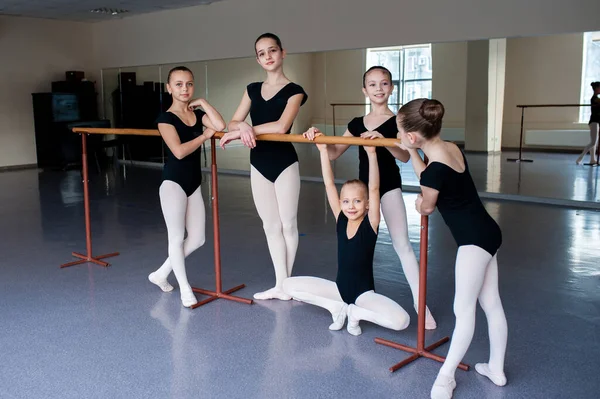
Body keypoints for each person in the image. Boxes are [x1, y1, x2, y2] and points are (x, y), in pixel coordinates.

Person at [303, 66, 436, 329]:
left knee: (403, 247)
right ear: (365, 90)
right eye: (373, 84)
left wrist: (383, 140)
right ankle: (354, 296)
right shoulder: (355, 124)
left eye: (384, 84)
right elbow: (333, 152)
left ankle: (421, 306)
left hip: (388, 189)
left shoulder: (399, 122)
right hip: (364, 194)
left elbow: (405, 156)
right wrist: (317, 136)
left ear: (391, 87)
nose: (379, 89)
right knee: (357, 249)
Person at [396, 98, 508, 399]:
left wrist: (419, 202)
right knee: (491, 303)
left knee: (464, 309)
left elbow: (427, 204)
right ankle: (496, 368)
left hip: (473, 242)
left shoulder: (433, 171)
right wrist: (410, 150)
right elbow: (430, 174)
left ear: (411, 135)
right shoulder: (452, 148)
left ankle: (445, 377)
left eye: (401, 132)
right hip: (487, 231)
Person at [282, 138, 410, 336]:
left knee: (402, 321)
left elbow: (374, 188)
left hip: (364, 295)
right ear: (341, 203)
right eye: (347, 201)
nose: (351, 206)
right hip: (338, 290)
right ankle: (336, 308)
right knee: (287, 285)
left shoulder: (370, 224)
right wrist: (323, 150)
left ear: (367, 204)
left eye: (358, 201)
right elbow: (329, 184)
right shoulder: (341, 219)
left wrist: (372, 153)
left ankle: (355, 312)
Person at [220, 33, 308, 301]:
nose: (268, 56)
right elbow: (233, 122)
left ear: (283, 53)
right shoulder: (251, 89)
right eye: (262, 53)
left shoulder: (295, 91)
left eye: (272, 50)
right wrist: (241, 127)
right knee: (270, 226)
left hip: (284, 163)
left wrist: (246, 130)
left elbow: (282, 126)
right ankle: (280, 284)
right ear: (257, 59)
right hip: (258, 164)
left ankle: (285, 284)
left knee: (288, 224)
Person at [148, 66, 226, 308]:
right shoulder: (165, 119)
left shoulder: (196, 114)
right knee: (176, 238)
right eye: (179, 84)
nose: (185, 89)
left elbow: (220, 125)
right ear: (169, 88)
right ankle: (184, 287)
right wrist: (204, 136)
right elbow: (179, 152)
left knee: (198, 239)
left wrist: (203, 102)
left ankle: (161, 273)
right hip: (173, 183)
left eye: (189, 84)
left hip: (193, 183)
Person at [576, 81, 600, 165]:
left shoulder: (597, 98)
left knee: (595, 142)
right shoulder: (594, 98)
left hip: (597, 122)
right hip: (594, 122)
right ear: (597, 88)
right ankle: (580, 157)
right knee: (593, 142)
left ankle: (593, 159)